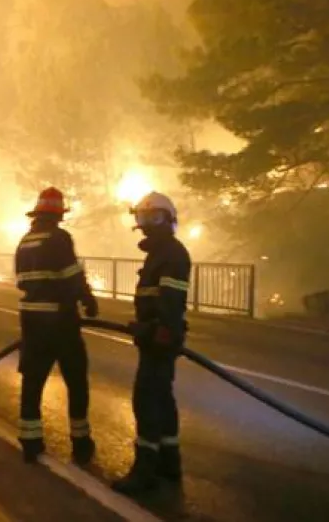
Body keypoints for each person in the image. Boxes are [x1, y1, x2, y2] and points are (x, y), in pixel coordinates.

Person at [112, 191, 192, 494]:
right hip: (156, 338)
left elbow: (170, 304)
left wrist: (153, 331)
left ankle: (144, 472)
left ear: (168, 220)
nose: (146, 225)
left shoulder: (171, 254)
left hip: (159, 339)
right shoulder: (161, 254)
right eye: (142, 218)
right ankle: (169, 464)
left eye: (153, 218)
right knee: (162, 400)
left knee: (146, 401)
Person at [14, 187, 99, 465]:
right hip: (60, 322)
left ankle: (30, 441)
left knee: (32, 381)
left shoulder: (25, 241)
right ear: (58, 215)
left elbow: (22, 280)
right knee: (76, 381)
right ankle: (81, 443)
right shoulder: (59, 238)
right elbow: (71, 276)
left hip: (31, 321)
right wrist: (87, 299)